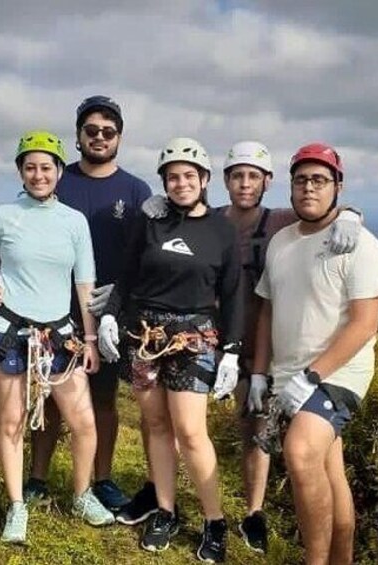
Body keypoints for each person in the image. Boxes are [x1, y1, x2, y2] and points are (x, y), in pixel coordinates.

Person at [140, 140, 363, 553]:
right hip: (211, 337)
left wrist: (350, 214)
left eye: (253, 177)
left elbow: (320, 209)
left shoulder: (277, 220)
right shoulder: (212, 219)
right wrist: (156, 203)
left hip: (262, 344)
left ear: (267, 182)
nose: (245, 184)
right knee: (168, 422)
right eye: (237, 176)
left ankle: (253, 513)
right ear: (222, 181)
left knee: (255, 431)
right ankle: (160, 498)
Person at [0, 130, 114, 544]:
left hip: (60, 333)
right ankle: (17, 507)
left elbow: (85, 283)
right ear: (20, 172)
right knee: (11, 422)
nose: (38, 174)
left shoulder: (74, 222)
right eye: (30, 167)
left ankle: (82, 494)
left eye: (46, 167)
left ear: (60, 172)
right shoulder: (2, 216)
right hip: (8, 328)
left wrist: (89, 339)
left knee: (83, 421)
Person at [98, 137, 243, 562]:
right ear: (164, 182)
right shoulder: (150, 223)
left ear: (204, 180)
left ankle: (214, 521)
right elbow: (127, 275)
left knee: (191, 432)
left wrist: (232, 350)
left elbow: (233, 294)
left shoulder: (221, 230)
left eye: (188, 176)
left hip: (194, 336)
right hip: (144, 334)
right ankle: (165, 509)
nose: (181, 183)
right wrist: (110, 313)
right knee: (156, 424)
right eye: (172, 177)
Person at [251, 142, 378, 564]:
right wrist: (260, 373)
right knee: (329, 470)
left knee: (300, 453)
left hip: (337, 373)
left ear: (338, 187)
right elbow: (267, 309)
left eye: (319, 180)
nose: (309, 188)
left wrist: (311, 377)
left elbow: (364, 325)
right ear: (290, 187)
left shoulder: (360, 245)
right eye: (301, 180)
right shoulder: (280, 242)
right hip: (288, 373)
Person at [25, 96, 152, 513]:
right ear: (78, 136)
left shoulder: (136, 190)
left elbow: (146, 254)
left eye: (108, 131)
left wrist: (120, 298)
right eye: (91, 130)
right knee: (48, 397)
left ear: (119, 137)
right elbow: (25, 225)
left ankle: (102, 479)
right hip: (52, 308)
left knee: (103, 401)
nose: (99, 137)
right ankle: (38, 479)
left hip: (107, 314)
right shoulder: (60, 181)